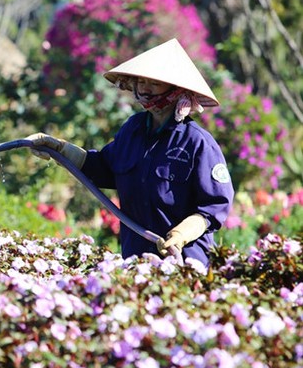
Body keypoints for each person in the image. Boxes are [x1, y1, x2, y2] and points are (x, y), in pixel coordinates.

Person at [29, 38, 234, 267]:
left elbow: (214, 206)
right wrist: (60, 149)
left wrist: (180, 235)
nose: (145, 89)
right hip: (136, 260)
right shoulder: (132, 130)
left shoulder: (198, 142)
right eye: (142, 82)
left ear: (177, 90)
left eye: (155, 84)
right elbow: (102, 169)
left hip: (185, 262)